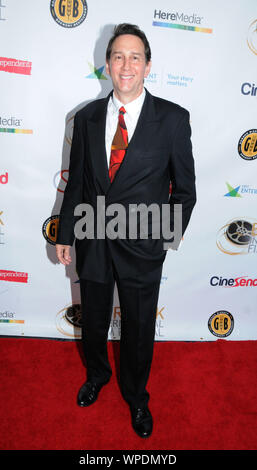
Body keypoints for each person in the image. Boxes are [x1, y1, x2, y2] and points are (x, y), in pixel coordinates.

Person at [55, 23, 196, 438]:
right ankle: (97, 375)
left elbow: (185, 189)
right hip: (93, 237)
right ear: (108, 64)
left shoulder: (172, 119)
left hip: (143, 245)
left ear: (148, 65)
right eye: (119, 56)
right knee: (94, 320)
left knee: (137, 328)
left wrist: (167, 235)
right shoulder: (86, 118)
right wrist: (65, 234)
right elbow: (77, 181)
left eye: (135, 56)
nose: (127, 64)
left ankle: (136, 397)